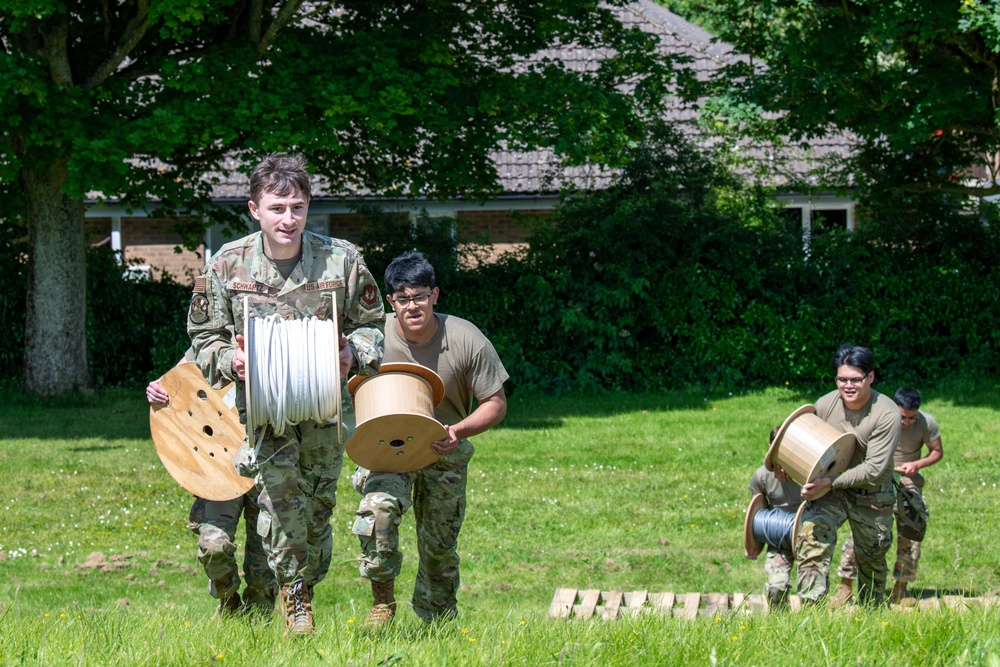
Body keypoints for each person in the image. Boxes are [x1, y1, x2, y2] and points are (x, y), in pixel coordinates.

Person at [187, 153, 385, 635]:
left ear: (308, 206)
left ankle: (300, 586)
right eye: (277, 208)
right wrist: (229, 360)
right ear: (255, 209)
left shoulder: (343, 259)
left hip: (323, 412)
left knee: (316, 510)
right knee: (279, 503)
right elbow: (203, 337)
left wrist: (353, 356)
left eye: (297, 207)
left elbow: (375, 327)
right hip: (261, 414)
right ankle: (296, 602)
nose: (288, 218)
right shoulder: (227, 264)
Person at [351, 250, 508, 628]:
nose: (412, 305)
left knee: (439, 548)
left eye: (420, 295)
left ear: (435, 295)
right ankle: (382, 602)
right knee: (377, 511)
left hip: (445, 448)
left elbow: (496, 403)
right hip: (388, 447)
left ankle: (435, 621)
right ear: (390, 302)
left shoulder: (465, 337)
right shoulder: (371, 337)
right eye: (403, 299)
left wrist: (458, 431)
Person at [146, 352, 276, 619]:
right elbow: (180, 377)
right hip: (221, 470)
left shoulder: (275, 333)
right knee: (213, 546)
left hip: (268, 458)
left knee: (263, 569)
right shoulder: (214, 337)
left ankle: (259, 629)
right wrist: (157, 387)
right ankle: (228, 601)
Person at [787, 344, 901, 606]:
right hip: (832, 492)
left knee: (871, 559)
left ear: (870, 377)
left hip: (872, 494)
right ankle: (810, 615)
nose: (848, 386)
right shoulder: (825, 405)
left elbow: (876, 468)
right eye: (842, 379)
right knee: (811, 539)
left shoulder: (887, 413)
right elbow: (808, 449)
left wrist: (831, 481)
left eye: (855, 379)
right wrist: (792, 470)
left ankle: (872, 618)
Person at [830, 386, 943, 605]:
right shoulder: (880, 417)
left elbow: (937, 451)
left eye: (911, 418)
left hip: (907, 483)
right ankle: (845, 586)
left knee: (910, 534)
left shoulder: (926, 422)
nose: (906, 422)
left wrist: (916, 464)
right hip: (877, 482)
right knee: (862, 530)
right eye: (902, 417)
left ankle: (901, 588)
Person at [748, 428, 803, 607]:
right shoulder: (762, 476)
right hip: (779, 539)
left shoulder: (809, 473)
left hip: (809, 537)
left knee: (814, 590)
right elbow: (757, 513)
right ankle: (779, 623)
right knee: (776, 588)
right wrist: (754, 546)